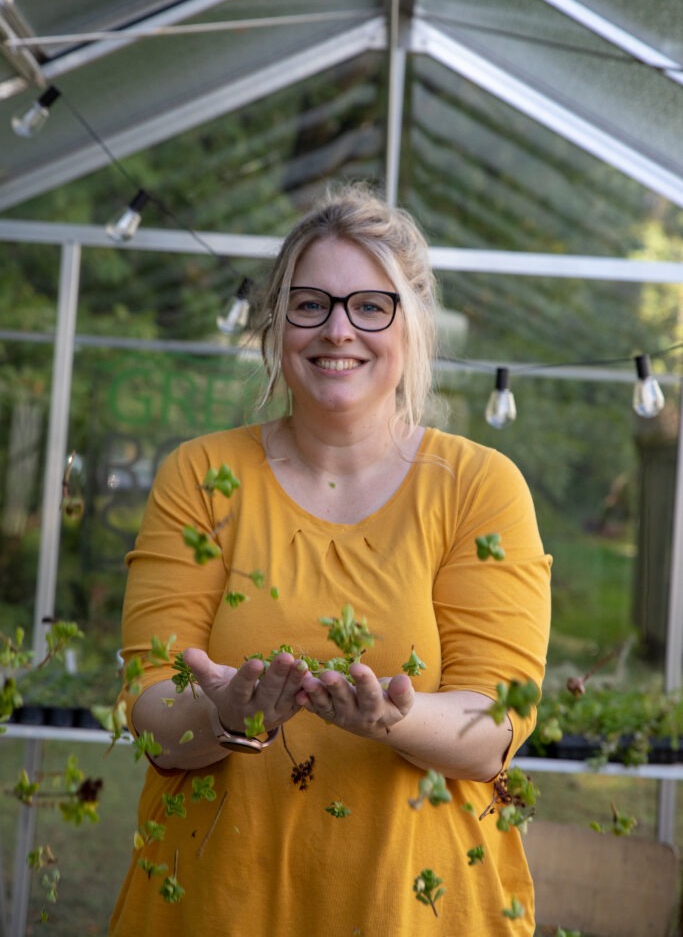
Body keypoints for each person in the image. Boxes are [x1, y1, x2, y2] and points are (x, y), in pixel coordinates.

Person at [109, 183, 551, 937]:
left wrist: (390, 718)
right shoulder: (201, 477)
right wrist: (222, 712)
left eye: (369, 306)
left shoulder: (476, 486)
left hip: (413, 908)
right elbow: (150, 711)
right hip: (217, 904)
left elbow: (490, 726)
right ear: (276, 326)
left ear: (409, 328)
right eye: (310, 304)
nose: (337, 329)